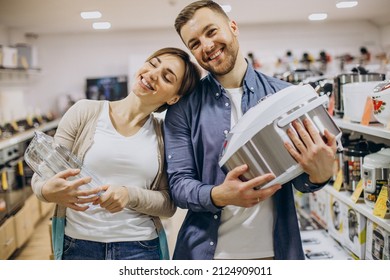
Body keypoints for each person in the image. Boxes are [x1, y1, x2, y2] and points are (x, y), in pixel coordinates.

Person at [164, 0, 337, 260]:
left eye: (211, 32)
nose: (207, 46)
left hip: (276, 254)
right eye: (195, 43)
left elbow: (301, 179)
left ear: (233, 27)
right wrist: (218, 195)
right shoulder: (183, 108)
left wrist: (321, 173)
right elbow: (178, 185)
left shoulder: (285, 95)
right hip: (205, 255)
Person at [31, 47, 201, 260]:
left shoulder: (165, 135)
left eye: (167, 77)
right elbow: (42, 176)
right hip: (77, 246)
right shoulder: (84, 112)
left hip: (140, 248)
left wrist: (129, 195)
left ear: (174, 98)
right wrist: (48, 191)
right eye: (153, 63)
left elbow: (168, 204)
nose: (152, 75)